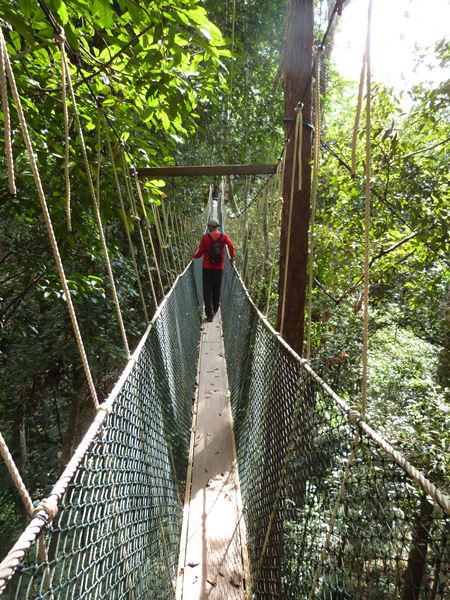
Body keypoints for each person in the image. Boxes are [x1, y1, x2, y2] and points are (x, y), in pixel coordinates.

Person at [193, 218, 235, 322]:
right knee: (217, 289)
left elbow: (200, 253)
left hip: (207, 267)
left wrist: (193, 256)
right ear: (217, 227)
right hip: (219, 268)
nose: (208, 228)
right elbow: (232, 247)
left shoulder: (205, 237)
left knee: (207, 290)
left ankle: (209, 314)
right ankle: (215, 309)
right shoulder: (224, 237)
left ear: (211, 227)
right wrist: (231, 259)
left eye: (208, 227)